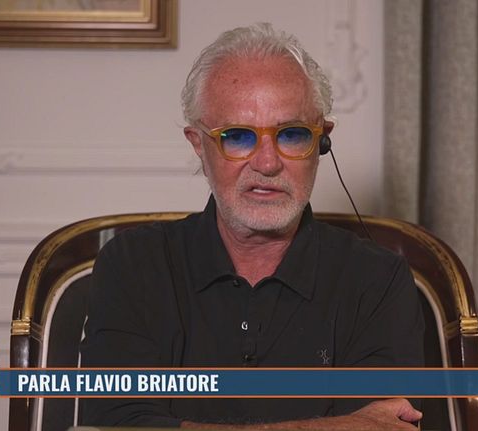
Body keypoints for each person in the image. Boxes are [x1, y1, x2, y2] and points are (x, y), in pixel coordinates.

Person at [80, 23, 424, 430]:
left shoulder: (378, 279)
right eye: (238, 137)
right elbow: (115, 423)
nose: (267, 163)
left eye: (292, 134)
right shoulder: (132, 265)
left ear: (322, 141)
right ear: (198, 145)